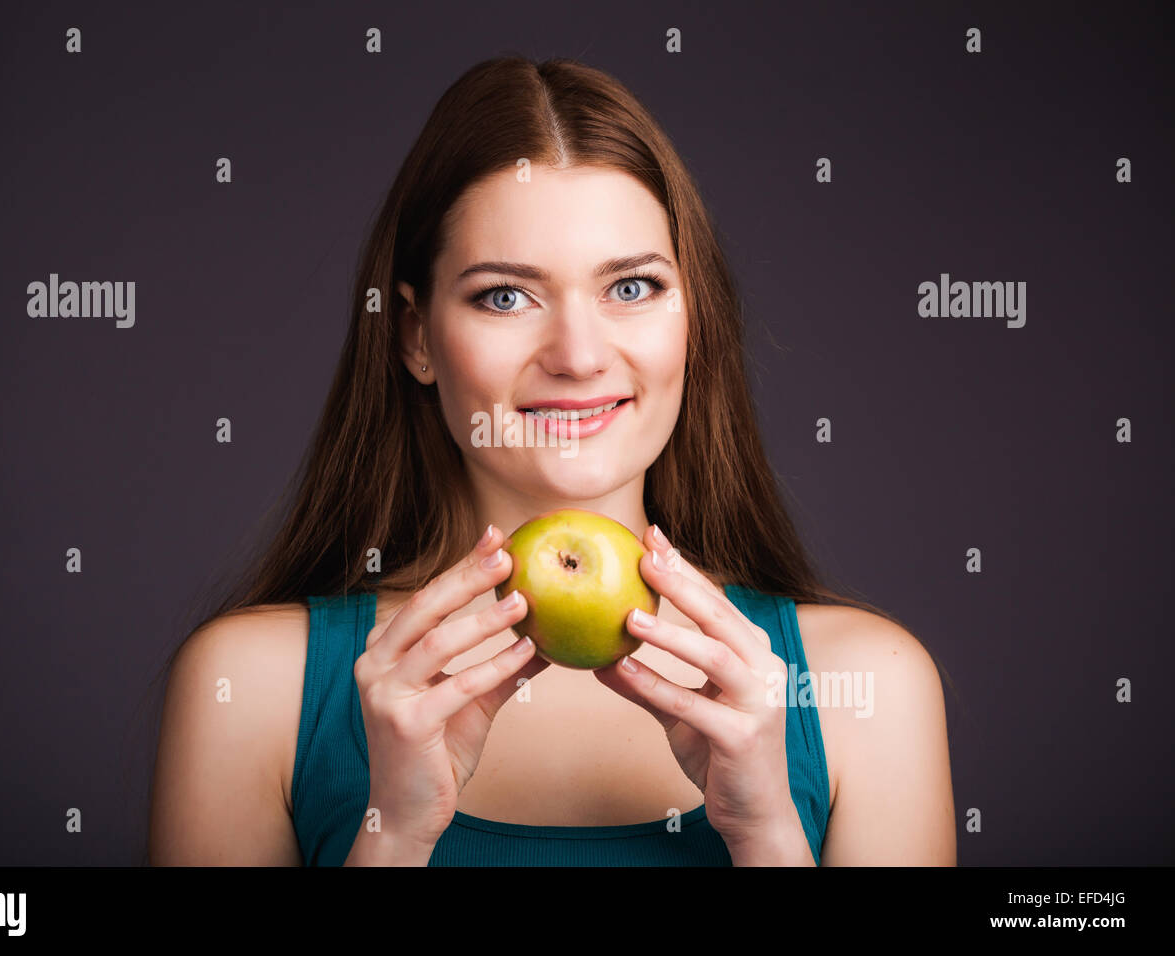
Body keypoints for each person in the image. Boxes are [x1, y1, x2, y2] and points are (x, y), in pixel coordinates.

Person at [147, 55, 956, 866]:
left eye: (632, 288)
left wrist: (767, 836)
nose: (578, 356)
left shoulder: (870, 687)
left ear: (693, 318)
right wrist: (390, 836)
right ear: (415, 337)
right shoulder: (247, 691)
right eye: (505, 296)